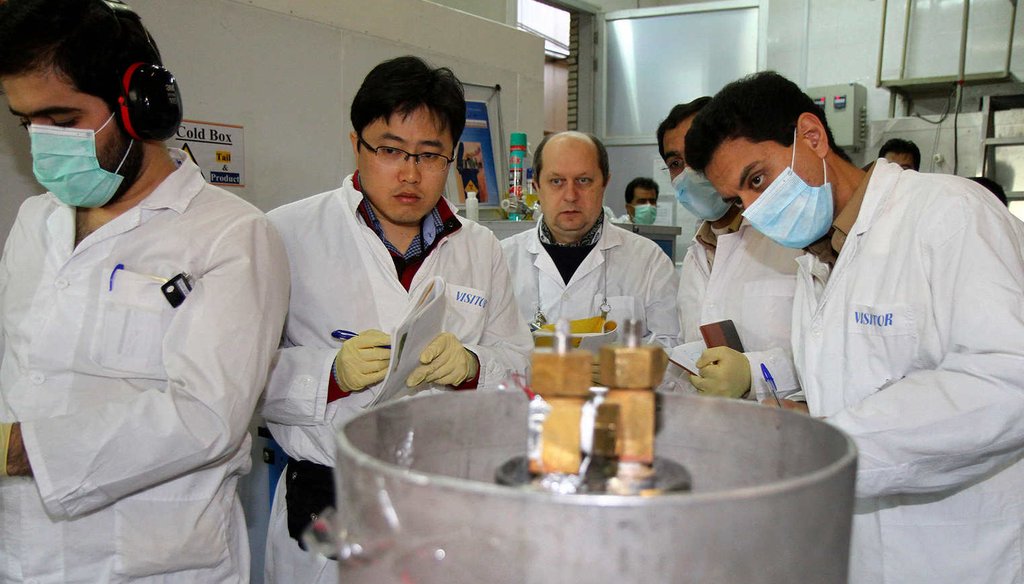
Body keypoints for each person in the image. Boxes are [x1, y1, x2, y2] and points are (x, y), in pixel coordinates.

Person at [686, 70, 1024, 584]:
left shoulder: (950, 213)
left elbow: (1006, 380)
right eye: (738, 199)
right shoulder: (818, 258)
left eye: (756, 179)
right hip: (859, 553)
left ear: (812, 137)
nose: (753, 210)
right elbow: (852, 374)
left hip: (957, 554)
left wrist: (829, 446)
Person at [0, 1, 290, 581]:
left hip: (156, 564)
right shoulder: (36, 221)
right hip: (24, 557)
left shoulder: (231, 234)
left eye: (63, 120)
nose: (43, 143)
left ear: (140, 108)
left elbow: (205, 416)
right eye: (26, 122)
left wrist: (17, 448)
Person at [262, 55, 533, 584]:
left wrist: (473, 368)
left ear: (451, 158)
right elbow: (240, 379)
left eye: (430, 155)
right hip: (330, 502)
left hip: (448, 501)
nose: (410, 173)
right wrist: (329, 375)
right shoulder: (285, 234)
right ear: (355, 144)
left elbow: (521, 367)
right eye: (389, 150)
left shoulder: (480, 248)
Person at [657, 98, 802, 400]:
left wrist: (755, 373)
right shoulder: (696, 253)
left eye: (698, 156)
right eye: (675, 164)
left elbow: (833, 361)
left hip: (789, 432)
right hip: (716, 432)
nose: (687, 173)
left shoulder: (793, 240)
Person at [501, 131, 679, 347]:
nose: (570, 195)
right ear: (537, 187)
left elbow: (672, 348)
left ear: (605, 183)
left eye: (583, 180)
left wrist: (623, 368)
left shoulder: (649, 261)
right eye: (556, 181)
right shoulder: (503, 259)